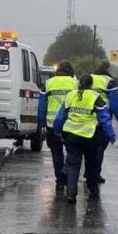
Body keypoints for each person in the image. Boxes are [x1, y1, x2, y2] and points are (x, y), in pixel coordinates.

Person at [53, 74, 116, 204]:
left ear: (79, 83)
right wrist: (110, 135)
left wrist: (57, 130)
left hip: (72, 136)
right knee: (91, 165)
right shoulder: (95, 97)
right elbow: (105, 118)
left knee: (73, 165)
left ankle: (71, 193)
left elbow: (60, 116)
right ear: (91, 84)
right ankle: (93, 191)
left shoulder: (71, 96)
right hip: (89, 136)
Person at [37, 60, 77, 189]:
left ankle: (59, 180)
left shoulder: (48, 83)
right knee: (72, 153)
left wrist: (42, 122)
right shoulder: (75, 83)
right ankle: (66, 172)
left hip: (51, 125)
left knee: (56, 153)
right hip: (70, 124)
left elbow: (42, 105)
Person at [90, 60, 118, 183]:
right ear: (108, 69)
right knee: (99, 149)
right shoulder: (109, 81)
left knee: (89, 148)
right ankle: (95, 174)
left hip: (87, 119)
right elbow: (115, 102)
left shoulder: (89, 78)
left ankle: (88, 172)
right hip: (102, 120)